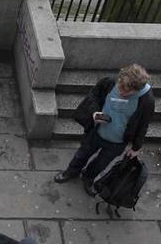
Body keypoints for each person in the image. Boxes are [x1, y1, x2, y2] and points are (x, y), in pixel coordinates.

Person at [53, 64, 155, 196]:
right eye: (120, 87)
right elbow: (93, 96)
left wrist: (136, 147)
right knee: (82, 154)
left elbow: (143, 124)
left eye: (126, 92)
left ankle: (88, 177)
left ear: (137, 90)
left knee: (101, 163)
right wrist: (95, 113)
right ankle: (71, 171)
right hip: (97, 132)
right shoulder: (109, 82)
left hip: (117, 142)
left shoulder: (147, 100)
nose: (121, 92)